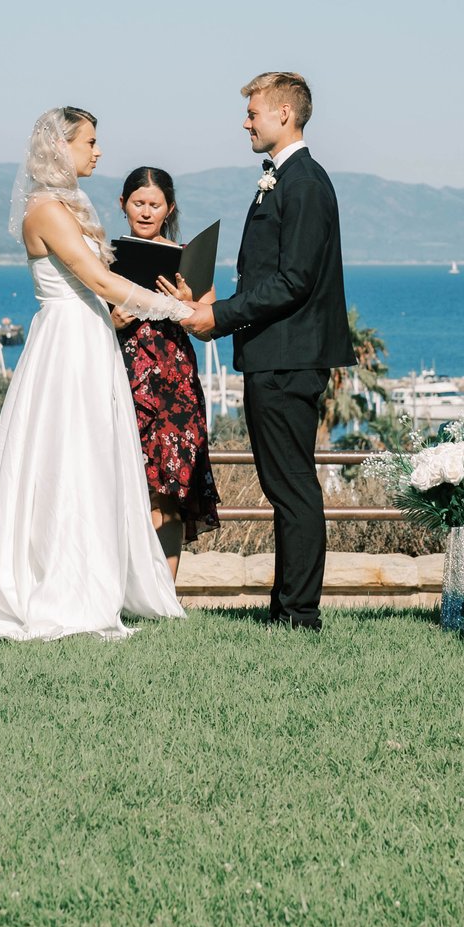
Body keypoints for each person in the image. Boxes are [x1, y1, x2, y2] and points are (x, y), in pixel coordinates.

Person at [0, 108, 192, 642]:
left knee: (92, 454)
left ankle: (99, 576)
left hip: (89, 338)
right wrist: (180, 310)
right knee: (68, 454)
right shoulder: (46, 210)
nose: (98, 151)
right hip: (67, 341)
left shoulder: (69, 206)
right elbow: (98, 280)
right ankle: (63, 583)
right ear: (62, 147)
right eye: (90, 142)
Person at [182, 72, 351, 631]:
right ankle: (288, 608)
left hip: (286, 358)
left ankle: (299, 615)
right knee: (286, 485)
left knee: (291, 486)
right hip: (276, 355)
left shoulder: (302, 183)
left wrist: (223, 316)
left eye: (253, 112)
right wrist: (214, 303)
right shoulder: (288, 178)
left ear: (284, 114)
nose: (246, 122)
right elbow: (270, 275)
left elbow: (295, 280)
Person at [109, 168, 221, 580]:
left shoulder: (188, 257)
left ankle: (164, 593)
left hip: (176, 386)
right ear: (123, 205)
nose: (146, 211)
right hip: (124, 380)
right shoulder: (103, 257)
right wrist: (114, 321)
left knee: (171, 489)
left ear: (168, 209)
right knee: (126, 487)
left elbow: (209, 330)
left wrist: (188, 302)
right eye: (138, 202)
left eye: (154, 204)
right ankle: (124, 589)